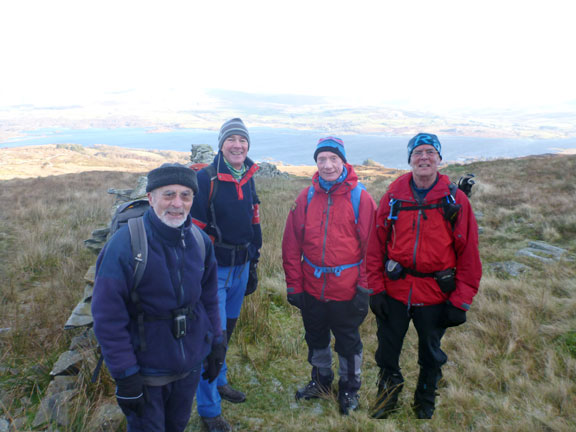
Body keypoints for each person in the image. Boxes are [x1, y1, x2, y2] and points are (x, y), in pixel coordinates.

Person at [92, 163, 225, 432]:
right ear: (150, 197)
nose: (177, 203)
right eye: (168, 194)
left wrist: (216, 343)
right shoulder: (125, 245)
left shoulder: (200, 242)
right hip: (146, 372)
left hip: (188, 370)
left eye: (185, 195)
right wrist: (126, 375)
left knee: (177, 425)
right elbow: (108, 317)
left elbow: (209, 299)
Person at [366, 133, 482, 419]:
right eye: (418, 153)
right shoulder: (393, 196)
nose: (424, 157)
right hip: (395, 289)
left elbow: (469, 255)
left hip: (435, 292)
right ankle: (388, 395)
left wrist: (460, 301)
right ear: (410, 159)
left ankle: (425, 399)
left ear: (439, 159)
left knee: (431, 352)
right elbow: (375, 245)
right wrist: (376, 289)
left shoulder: (455, 201)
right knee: (387, 350)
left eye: (430, 152)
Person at [282, 137, 376, 415]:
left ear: (343, 162)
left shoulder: (360, 198)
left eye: (333, 159)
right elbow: (291, 245)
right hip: (311, 288)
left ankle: (349, 389)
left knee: (348, 342)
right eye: (321, 159)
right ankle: (321, 381)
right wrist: (294, 286)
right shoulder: (306, 197)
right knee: (316, 337)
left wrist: (364, 289)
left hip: (347, 290)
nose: (327, 165)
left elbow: (372, 248)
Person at [191, 118, 262, 432]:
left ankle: (220, 382)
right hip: (214, 273)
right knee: (212, 339)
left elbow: (254, 218)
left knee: (227, 333)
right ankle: (208, 410)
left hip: (242, 266)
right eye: (231, 139)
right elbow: (195, 231)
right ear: (221, 144)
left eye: (242, 140)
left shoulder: (248, 175)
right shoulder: (205, 179)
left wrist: (255, 263)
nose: (238, 145)